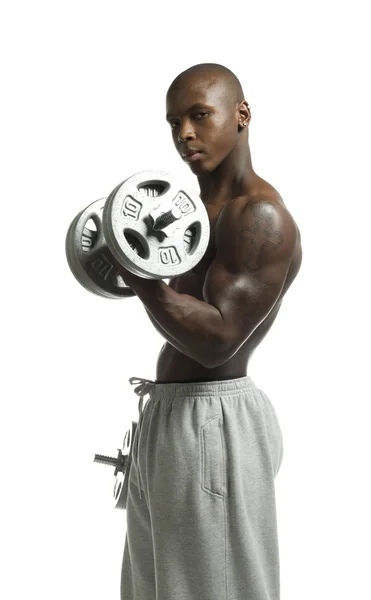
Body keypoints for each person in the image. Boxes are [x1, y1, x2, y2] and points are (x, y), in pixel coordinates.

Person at [117, 63, 302, 600]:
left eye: (200, 116)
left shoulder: (259, 216)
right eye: (174, 122)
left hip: (212, 424)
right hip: (170, 419)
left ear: (241, 115)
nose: (185, 135)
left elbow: (218, 338)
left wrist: (140, 273)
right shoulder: (191, 214)